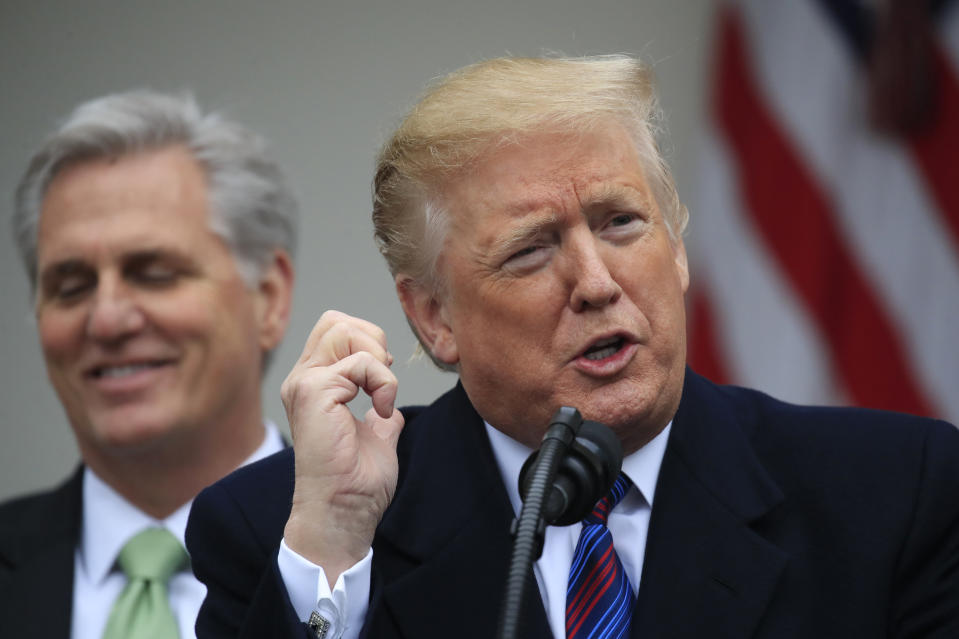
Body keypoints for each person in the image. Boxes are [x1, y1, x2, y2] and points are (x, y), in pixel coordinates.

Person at [186, 56, 959, 639]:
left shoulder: (894, 495)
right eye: (529, 250)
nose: (595, 282)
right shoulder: (282, 531)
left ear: (679, 249)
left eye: (622, 222)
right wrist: (336, 539)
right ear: (432, 317)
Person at [0, 90, 298, 639]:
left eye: (154, 273)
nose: (106, 320)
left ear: (269, 297)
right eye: (70, 286)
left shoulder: (400, 552)